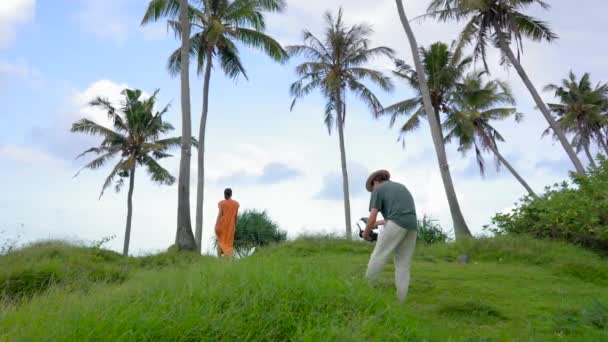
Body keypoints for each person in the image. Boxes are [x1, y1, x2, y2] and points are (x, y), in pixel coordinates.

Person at [362, 169, 417, 303]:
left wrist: (366, 233)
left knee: (378, 257)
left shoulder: (378, 190)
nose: (373, 190)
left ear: (375, 182)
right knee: (403, 265)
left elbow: (372, 216)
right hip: (412, 226)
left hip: (396, 223)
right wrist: (378, 223)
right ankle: (401, 301)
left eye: (372, 187)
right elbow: (399, 213)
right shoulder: (400, 187)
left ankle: (365, 294)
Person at [215, 188, 240, 257]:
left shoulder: (222, 203)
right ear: (231, 194)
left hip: (222, 226)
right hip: (231, 227)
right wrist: (235, 226)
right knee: (229, 244)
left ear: (225, 194)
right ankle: (228, 258)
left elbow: (220, 215)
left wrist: (216, 225)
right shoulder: (236, 204)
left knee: (220, 242)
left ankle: (219, 258)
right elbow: (235, 217)